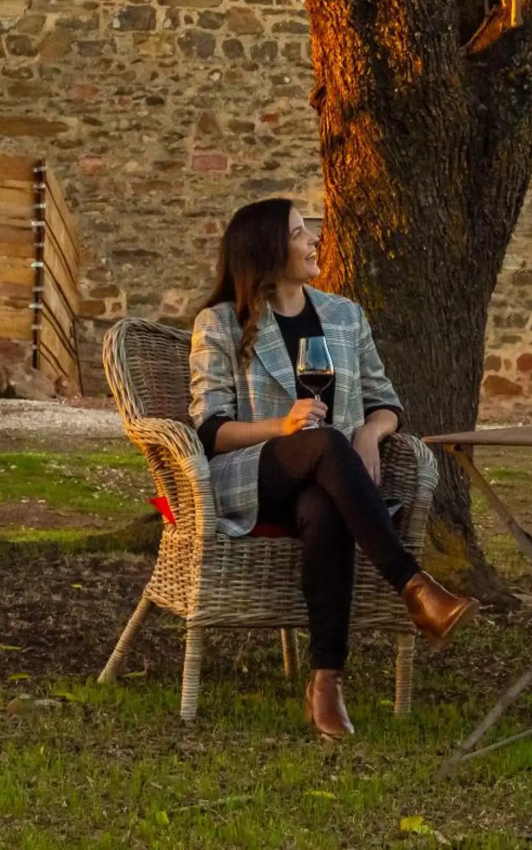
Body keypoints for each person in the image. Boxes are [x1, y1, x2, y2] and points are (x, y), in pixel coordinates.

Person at [190, 197, 477, 739]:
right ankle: (413, 585)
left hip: (331, 480)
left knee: (324, 508)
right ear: (269, 251)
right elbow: (209, 429)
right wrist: (281, 426)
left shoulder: (345, 316)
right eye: (300, 233)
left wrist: (369, 434)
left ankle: (325, 682)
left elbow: (385, 402)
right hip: (252, 475)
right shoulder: (221, 323)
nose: (313, 240)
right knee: (322, 440)